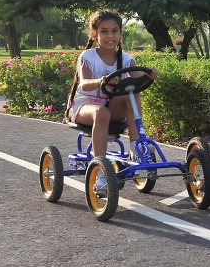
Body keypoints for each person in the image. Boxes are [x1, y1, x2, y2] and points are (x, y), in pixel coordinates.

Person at [63, 10, 157, 184]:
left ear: (120, 33)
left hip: (111, 105)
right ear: (94, 34)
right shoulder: (87, 57)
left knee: (132, 93)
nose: (110, 36)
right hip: (85, 106)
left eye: (114, 31)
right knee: (101, 113)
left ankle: (136, 147)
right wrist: (101, 81)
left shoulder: (127, 60)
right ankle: (100, 169)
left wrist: (149, 76)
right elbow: (83, 84)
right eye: (104, 31)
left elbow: (137, 82)